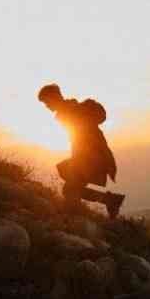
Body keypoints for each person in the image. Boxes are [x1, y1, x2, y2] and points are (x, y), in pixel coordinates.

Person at [38, 83, 125, 219]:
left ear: (55, 97)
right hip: (88, 157)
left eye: (47, 102)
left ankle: (77, 215)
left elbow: (86, 136)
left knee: (70, 190)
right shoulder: (68, 110)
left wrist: (83, 159)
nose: (47, 106)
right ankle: (110, 200)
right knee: (71, 189)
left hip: (91, 158)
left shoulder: (70, 110)